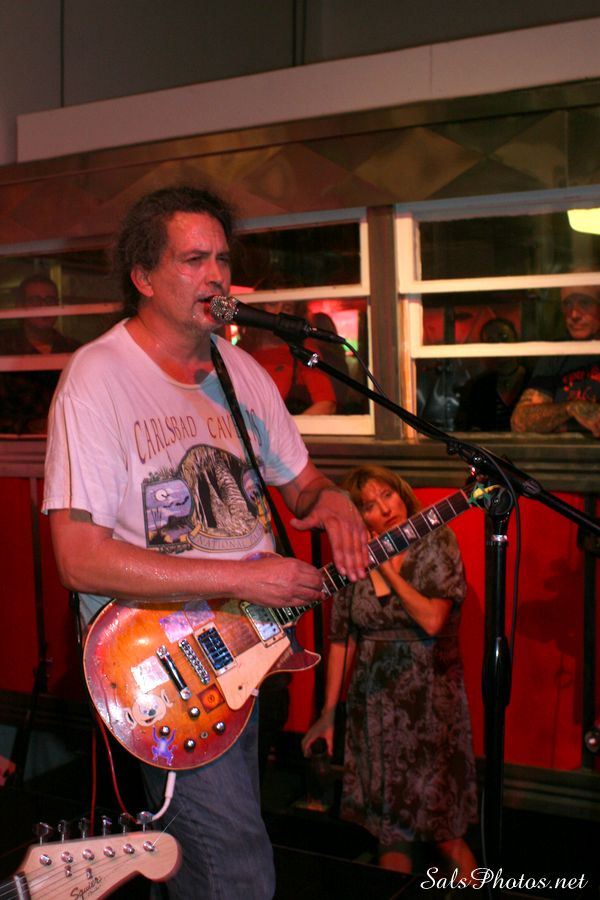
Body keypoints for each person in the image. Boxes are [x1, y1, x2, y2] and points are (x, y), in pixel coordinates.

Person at [42, 185, 369, 900]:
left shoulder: (238, 370)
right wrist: (247, 580)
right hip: (165, 670)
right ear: (143, 275)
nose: (216, 276)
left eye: (222, 259)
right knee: (236, 871)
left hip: (247, 649)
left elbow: (302, 486)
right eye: (193, 260)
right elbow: (78, 558)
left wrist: (331, 499)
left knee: (198, 863)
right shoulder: (98, 379)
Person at [302, 465, 478, 880]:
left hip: (429, 706)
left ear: (403, 494)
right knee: (389, 832)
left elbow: (433, 620)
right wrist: (329, 714)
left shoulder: (437, 541)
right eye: (369, 505)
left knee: (443, 831)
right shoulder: (351, 558)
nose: (384, 509)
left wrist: (382, 565)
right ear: (357, 517)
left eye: (389, 495)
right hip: (374, 707)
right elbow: (342, 639)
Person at [511, 286, 600, 437]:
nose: (574, 314)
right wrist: (572, 408)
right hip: (563, 451)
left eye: (585, 303)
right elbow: (520, 422)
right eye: (567, 304)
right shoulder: (557, 353)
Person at [0, 275, 79, 434]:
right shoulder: (5, 349)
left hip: (67, 439)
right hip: (14, 445)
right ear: (19, 306)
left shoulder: (73, 350)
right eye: (35, 300)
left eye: (50, 300)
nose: (44, 307)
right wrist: (30, 426)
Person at [238, 302, 337, 415]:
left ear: (295, 315)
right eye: (272, 305)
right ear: (258, 308)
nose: (277, 313)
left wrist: (288, 425)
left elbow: (326, 405)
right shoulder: (242, 348)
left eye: (287, 308)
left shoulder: (303, 349)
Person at [455, 317, 530, 431]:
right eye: (491, 341)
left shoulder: (534, 381)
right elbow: (464, 427)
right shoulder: (477, 387)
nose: (498, 345)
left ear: (516, 340)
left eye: (504, 337)